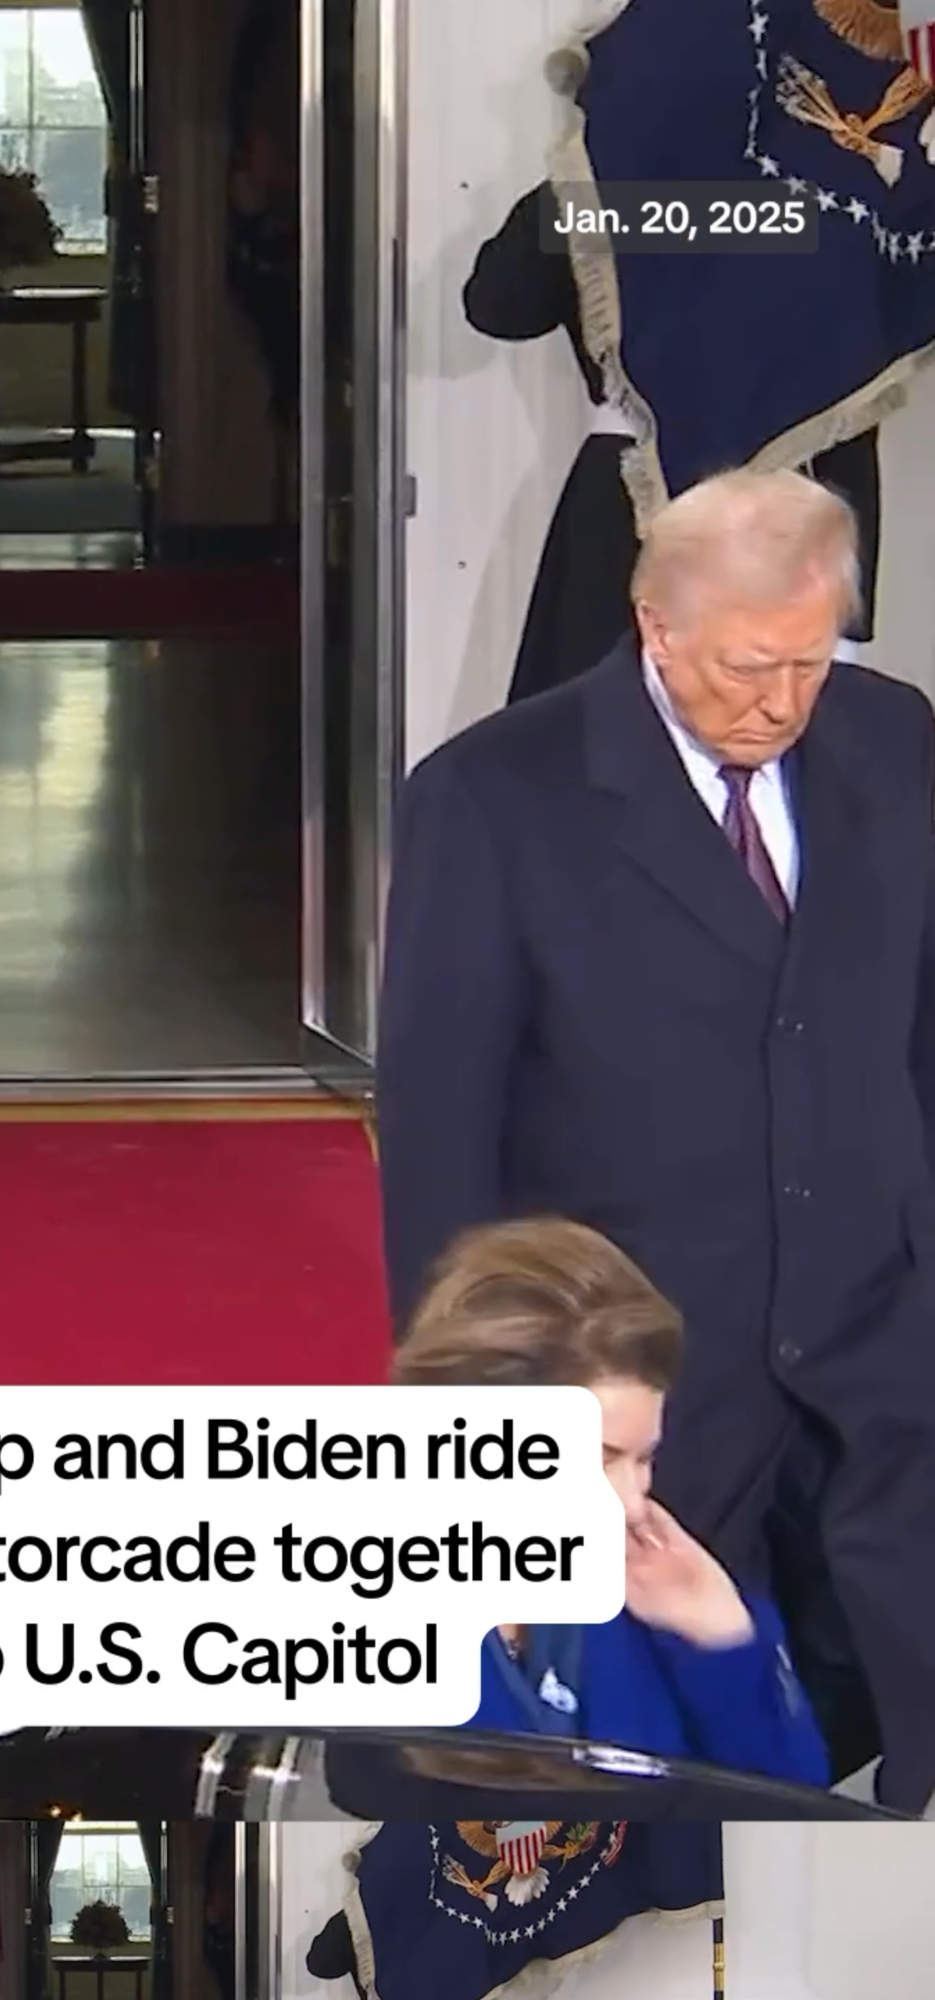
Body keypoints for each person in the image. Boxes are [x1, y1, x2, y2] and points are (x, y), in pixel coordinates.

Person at [375, 465, 935, 1811]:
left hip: (881, 1339)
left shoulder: (897, 739)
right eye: (749, 669)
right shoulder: (494, 799)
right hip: (646, 1370)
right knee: (659, 1782)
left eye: (812, 661)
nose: (783, 703)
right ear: (655, 628)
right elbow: (443, 1131)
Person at [394, 1215, 826, 1781]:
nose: (630, 1503)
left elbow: (790, 1815)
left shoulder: (658, 1593)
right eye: (598, 1458)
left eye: (644, 1460)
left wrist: (722, 1641)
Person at [462, 182, 881, 704]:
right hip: (686, 490)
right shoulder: (817, 192)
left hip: (713, 490)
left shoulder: (612, 192)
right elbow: (501, 307)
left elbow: (499, 305)